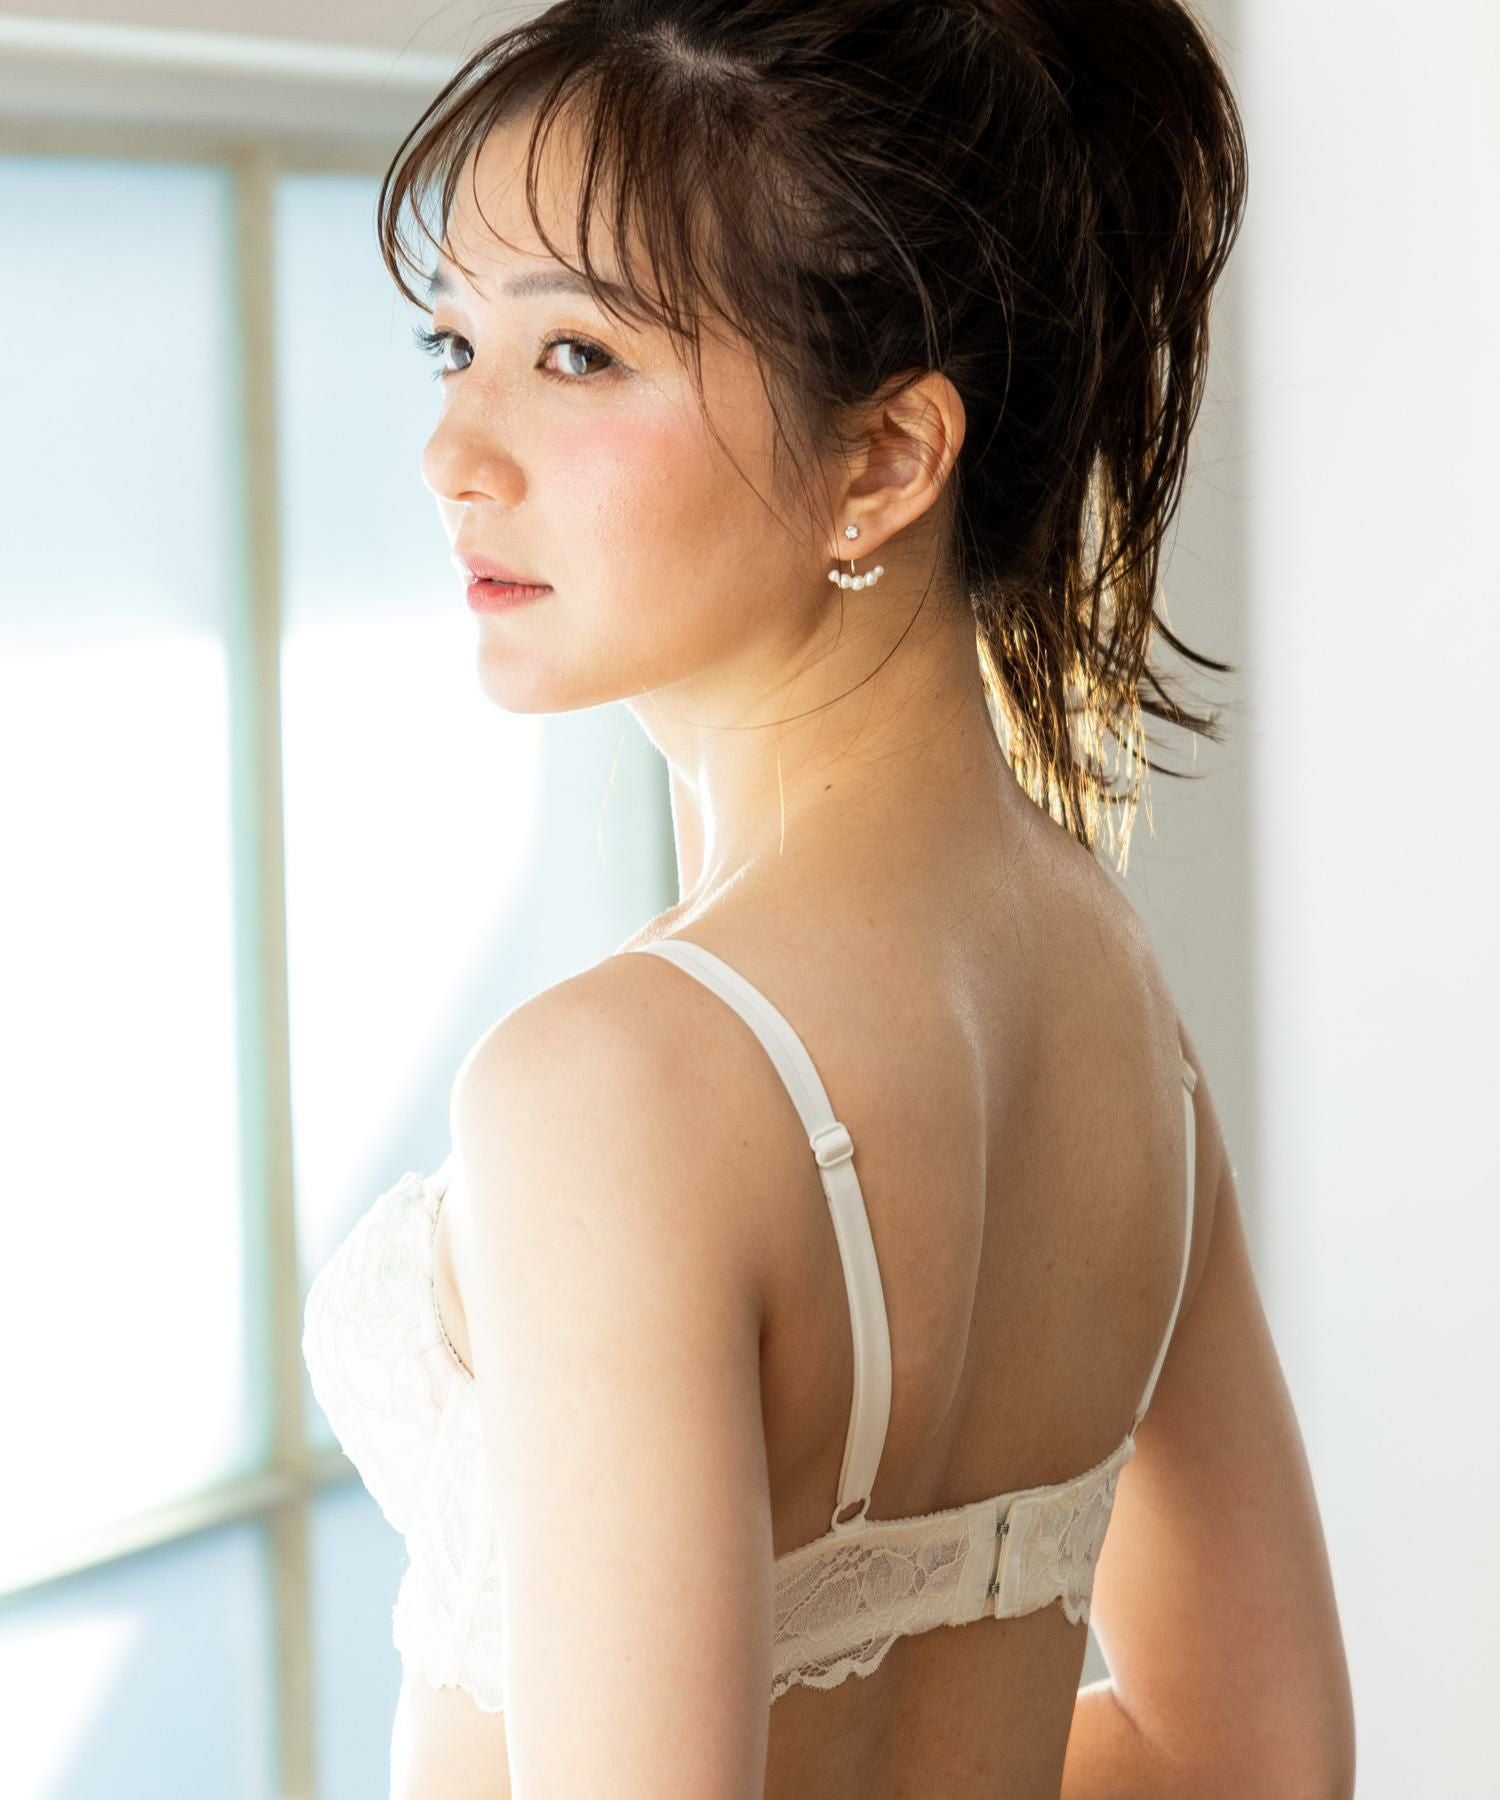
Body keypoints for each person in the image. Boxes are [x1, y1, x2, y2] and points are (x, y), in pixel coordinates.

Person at [302, 2, 1355, 1795]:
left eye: (579, 355)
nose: (454, 453)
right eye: (453, 341)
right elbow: (1250, 1756)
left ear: (882, 460)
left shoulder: (614, 1084)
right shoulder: (1115, 1003)